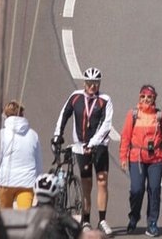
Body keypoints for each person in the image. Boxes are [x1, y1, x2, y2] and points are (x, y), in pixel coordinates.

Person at [54, 69, 115, 231]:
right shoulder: (75, 97)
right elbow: (64, 115)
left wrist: (93, 143)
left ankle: (102, 220)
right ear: (84, 83)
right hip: (81, 147)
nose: (92, 86)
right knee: (86, 184)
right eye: (89, 83)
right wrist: (57, 135)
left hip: (99, 146)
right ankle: (86, 220)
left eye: (96, 83)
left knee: (102, 181)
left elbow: (106, 124)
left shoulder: (105, 100)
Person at [120, 85, 162, 237]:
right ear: (139, 98)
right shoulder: (132, 115)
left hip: (156, 159)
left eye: (149, 97)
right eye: (143, 96)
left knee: (154, 189)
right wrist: (123, 157)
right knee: (136, 190)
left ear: (154, 99)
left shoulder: (161, 116)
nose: (146, 99)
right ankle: (134, 216)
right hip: (136, 158)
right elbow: (125, 137)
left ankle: (152, 222)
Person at [0, 100, 41, 210]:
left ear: (6, 115)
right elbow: (38, 162)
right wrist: (38, 181)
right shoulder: (33, 134)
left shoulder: (2, 134)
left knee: (5, 217)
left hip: (5, 182)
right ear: (22, 115)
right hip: (27, 182)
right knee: (24, 218)